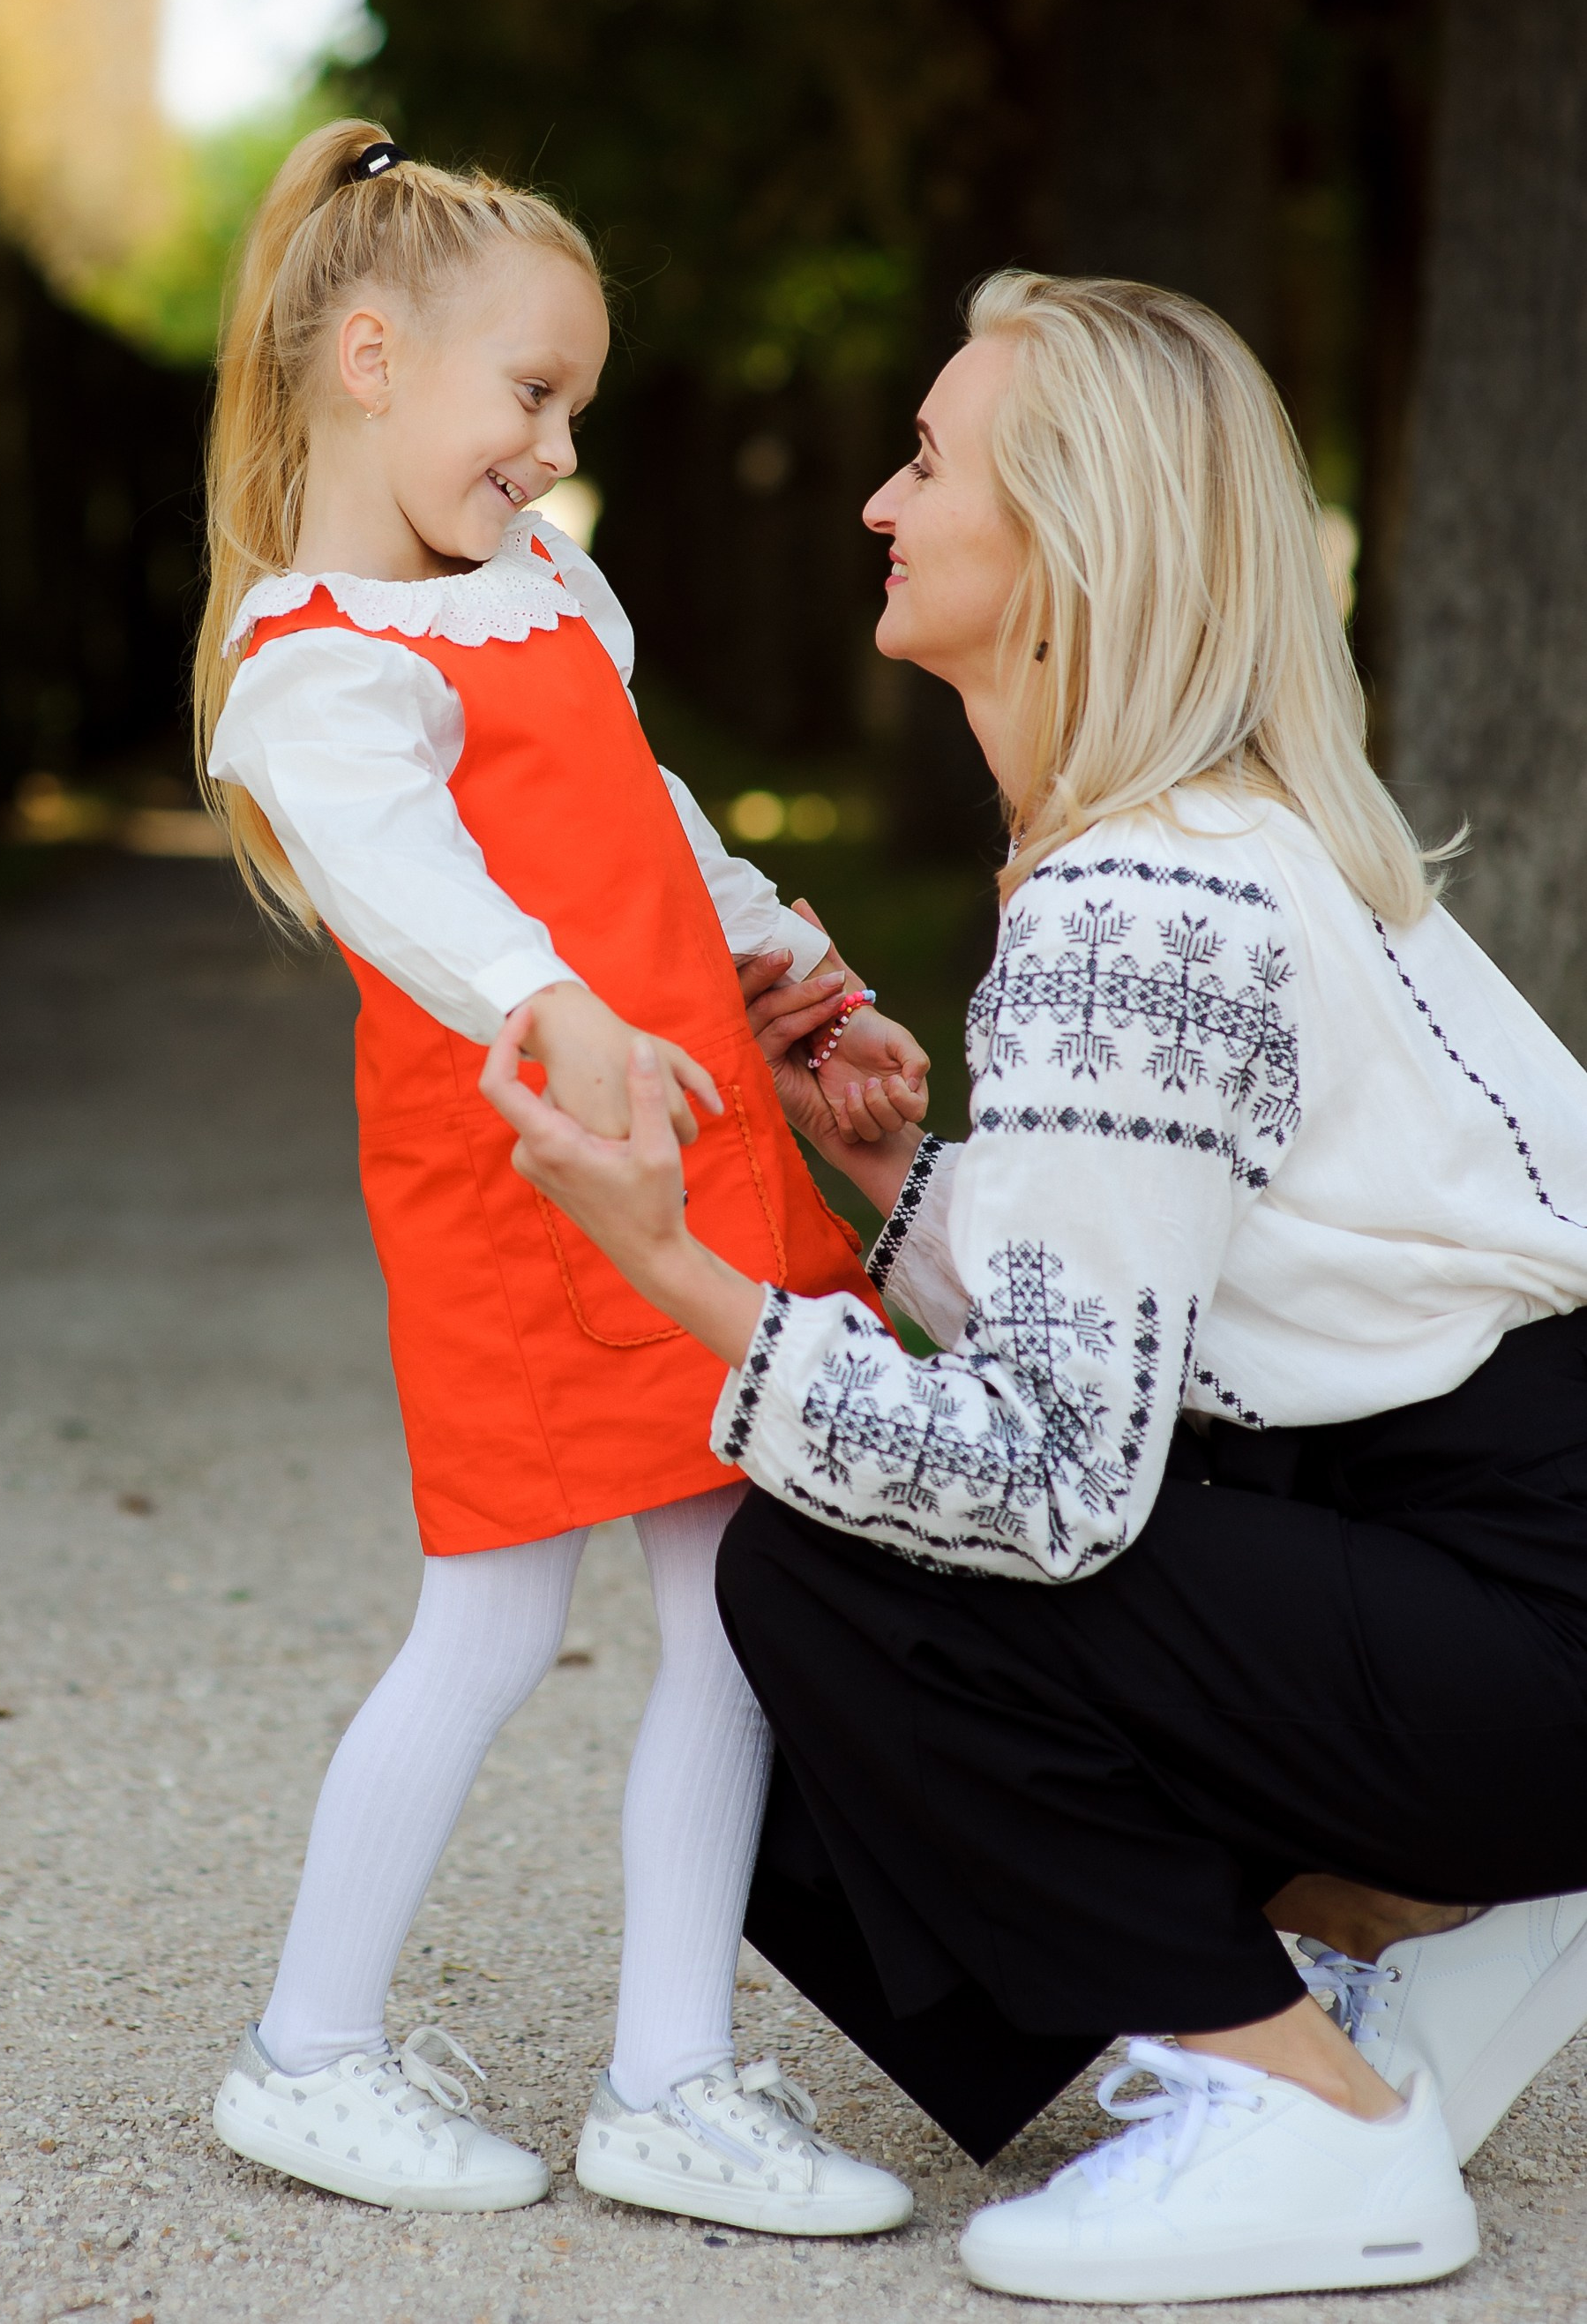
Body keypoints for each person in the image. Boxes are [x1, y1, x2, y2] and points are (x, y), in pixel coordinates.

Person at [480, 268, 1587, 2304]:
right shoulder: (1236, 838)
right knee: (881, 1517)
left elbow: (1056, 1479)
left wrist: (679, 1267)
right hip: (1503, 1558)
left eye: (927, 461)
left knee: (826, 1570)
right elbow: (1200, 1314)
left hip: (1523, 1614)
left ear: (1070, 541)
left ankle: (1312, 2119)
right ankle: (1401, 1912)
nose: (881, 504)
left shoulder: (1135, 901)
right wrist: (890, 1179)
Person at [197, 121, 932, 2231]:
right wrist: (548, 997)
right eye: (531, 394)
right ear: (369, 360)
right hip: (528, 1193)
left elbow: (651, 812)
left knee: (737, 1605)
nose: (555, 448)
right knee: (494, 1620)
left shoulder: (546, 592)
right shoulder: (314, 663)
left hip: (686, 1151)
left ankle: (669, 2075)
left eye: (576, 406)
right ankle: (308, 2046)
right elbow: (410, 884)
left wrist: (789, 968)